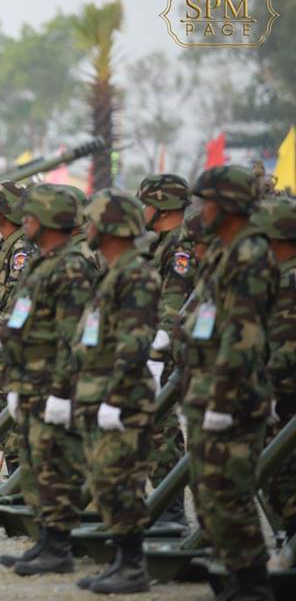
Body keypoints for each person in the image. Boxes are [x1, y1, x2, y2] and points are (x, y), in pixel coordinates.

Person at [183, 165, 278, 601]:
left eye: (208, 202)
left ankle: (251, 584)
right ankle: (233, 578)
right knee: (208, 495)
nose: (202, 210)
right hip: (208, 390)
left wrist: (222, 399)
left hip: (234, 396)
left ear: (229, 205)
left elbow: (243, 333)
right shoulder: (224, 251)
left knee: (232, 494)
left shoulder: (250, 254)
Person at [0, 184, 95, 575]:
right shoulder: (44, 262)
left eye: (32, 215)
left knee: (56, 464)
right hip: (31, 380)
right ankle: (46, 540)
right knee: (37, 462)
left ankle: (59, 546)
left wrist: (61, 390)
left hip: (52, 382)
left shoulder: (72, 266)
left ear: (50, 221)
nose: (26, 222)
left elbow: (74, 337)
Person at [72, 189, 161, 594]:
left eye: (91, 221)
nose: (86, 228)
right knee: (106, 481)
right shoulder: (112, 271)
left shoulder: (136, 275)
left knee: (121, 481)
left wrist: (115, 395)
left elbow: (134, 340)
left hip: (120, 396)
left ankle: (133, 565)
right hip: (98, 391)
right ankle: (122, 561)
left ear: (109, 227)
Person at [137, 174, 195, 524]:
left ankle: (171, 512)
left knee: (161, 430)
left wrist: (159, 342)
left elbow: (175, 296)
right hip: (160, 347)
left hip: (170, 349)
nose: (142, 210)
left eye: (146, 203)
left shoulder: (180, 246)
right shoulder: (164, 243)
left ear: (161, 207)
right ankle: (164, 505)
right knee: (155, 427)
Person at [253, 196, 296, 567]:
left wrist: (263, 390)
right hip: (281, 398)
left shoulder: (287, 282)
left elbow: (283, 350)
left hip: (285, 400)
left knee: (284, 479)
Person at [0, 181, 34, 472]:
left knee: (9, 418)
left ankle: (20, 479)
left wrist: (3, 329)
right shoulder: (5, 246)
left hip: (9, 345)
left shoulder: (21, 248)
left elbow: (20, 295)